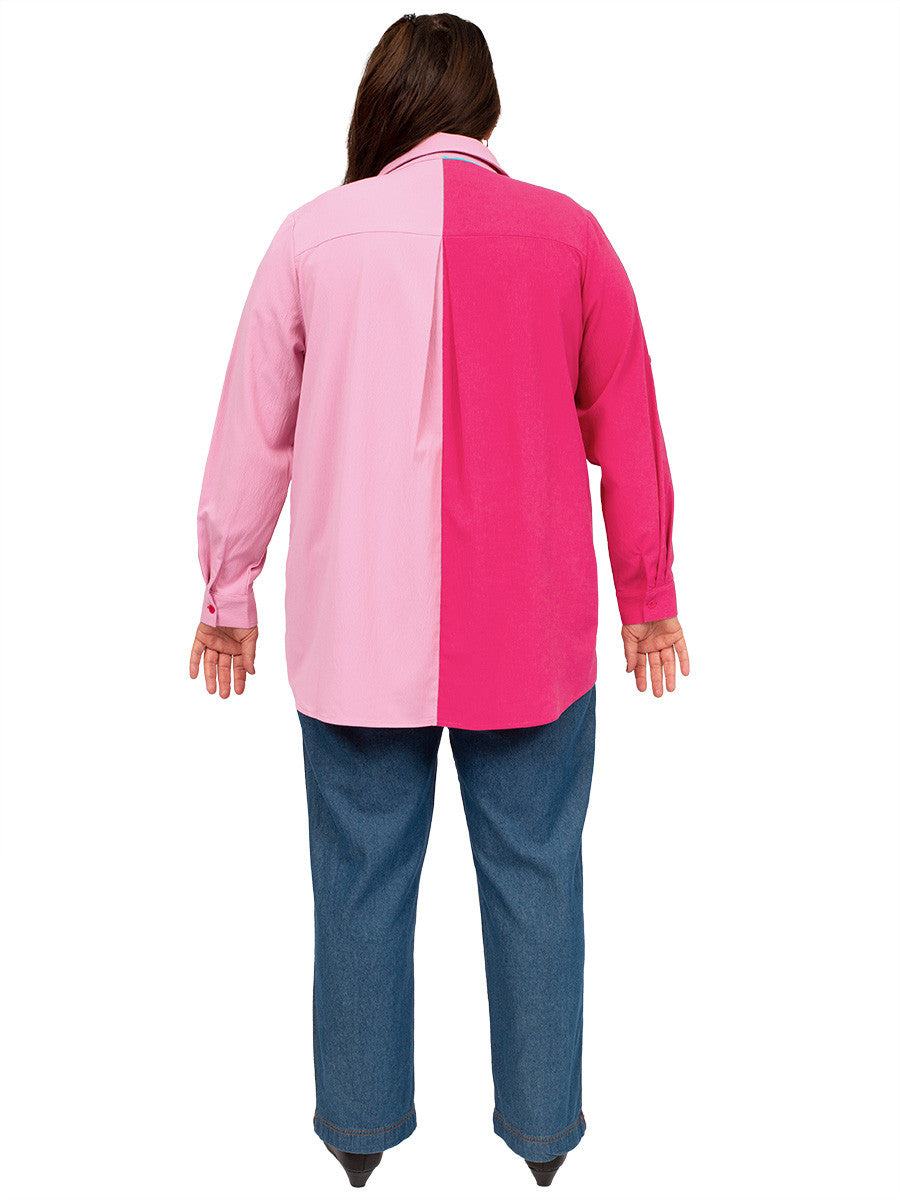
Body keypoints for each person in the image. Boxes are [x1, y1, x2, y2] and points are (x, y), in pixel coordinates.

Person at [189, 10, 689, 1190]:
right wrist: (648, 594)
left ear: (386, 105)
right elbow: (628, 423)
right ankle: (544, 1137)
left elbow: (254, 428)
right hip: (534, 633)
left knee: (359, 883)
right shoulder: (570, 237)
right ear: (488, 109)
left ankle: (359, 1134)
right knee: (539, 877)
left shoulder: (313, 237)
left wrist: (227, 589)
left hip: (355, 632)